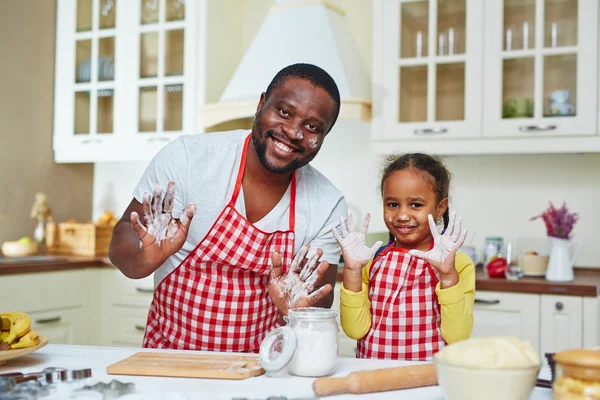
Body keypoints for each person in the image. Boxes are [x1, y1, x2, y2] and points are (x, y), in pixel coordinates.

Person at [108, 63, 348, 353]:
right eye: (284, 112)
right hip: (169, 359)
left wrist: (298, 310)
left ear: (324, 137)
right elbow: (123, 245)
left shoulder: (327, 204)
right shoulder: (188, 159)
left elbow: (318, 298)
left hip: (264, 370)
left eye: (312, 127)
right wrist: (144, 257)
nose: (293, 132)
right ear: (261, 104)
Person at [333, 153, 475, 360]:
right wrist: (352, 271)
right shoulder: (371, 262)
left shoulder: (459, 265)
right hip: (374, 380)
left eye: (416, 205)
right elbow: (355, 330)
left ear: (440, 208)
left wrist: (447, 275)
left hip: (429, 381)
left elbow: (458, 335)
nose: (402, 215)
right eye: (392, 204)